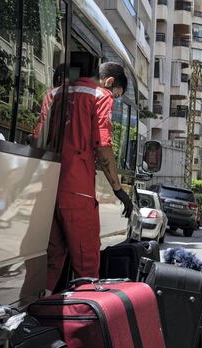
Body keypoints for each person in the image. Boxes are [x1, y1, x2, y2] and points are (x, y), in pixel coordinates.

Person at [45, 61, 132, 291]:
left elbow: (38, 137)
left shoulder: (55, 94)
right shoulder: (101, 96)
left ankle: (38, 309)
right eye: (117, 94)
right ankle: (83, 321)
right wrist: (118, 189)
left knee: (52, 261)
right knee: (87, 265)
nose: (114, 98)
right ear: (110, 82)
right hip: (77, 188)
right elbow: (103, 147)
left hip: (46, 186)